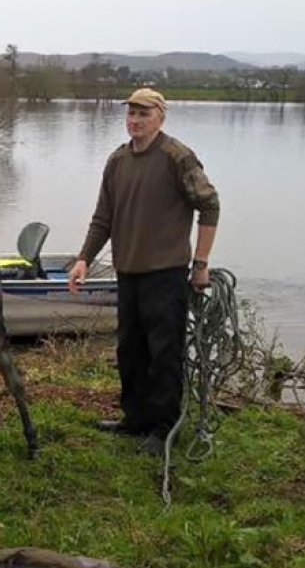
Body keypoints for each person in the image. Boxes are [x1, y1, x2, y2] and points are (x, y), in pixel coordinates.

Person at [68, 88, 220, 455]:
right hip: (128, 270)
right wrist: (83, 258)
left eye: (144, 114)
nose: (135, 121)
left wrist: (200, 264)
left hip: (166, 273)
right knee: (130, 350)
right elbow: (103, 217)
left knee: (163, 352)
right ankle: (134, 418)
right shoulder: (117, 161)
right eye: (131, 114)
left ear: (160, 117)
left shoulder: (176, 157)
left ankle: (164, 428)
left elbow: (210, 205)